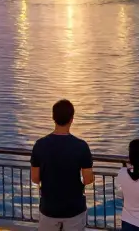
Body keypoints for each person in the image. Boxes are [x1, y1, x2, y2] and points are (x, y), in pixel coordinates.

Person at [30, 99, 95, 231]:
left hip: (49, 208)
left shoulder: (39, 145)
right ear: (72, 119)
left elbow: (35, 178)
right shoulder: (81, 146)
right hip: (73, 209)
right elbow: (87, 179)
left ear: (53, 118)